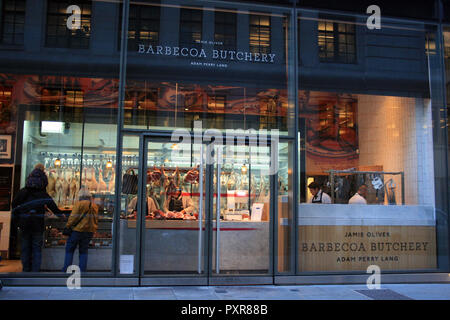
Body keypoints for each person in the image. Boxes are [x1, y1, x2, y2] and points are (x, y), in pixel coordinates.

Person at [12, 164, 65, 272]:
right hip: (37, 225)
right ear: (43, 182)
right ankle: (35, 273)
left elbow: (14, 204)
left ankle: (26, 270)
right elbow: (52, 206)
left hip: (25, 224)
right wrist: (61, 215)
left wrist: (20, 216)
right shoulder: (42, 194)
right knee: (36, 249)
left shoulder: (23, 192)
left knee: (25, 248)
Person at [62, 188, 98, 272]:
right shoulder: (94, 206)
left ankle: (67, 269)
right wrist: (94, 229)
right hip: (89, 231)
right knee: (83, 251)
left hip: (77, 231)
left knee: (70, 249)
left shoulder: (78, 204)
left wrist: (68, 226)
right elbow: (95, 219)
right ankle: (82, 270)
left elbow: (73, 218)